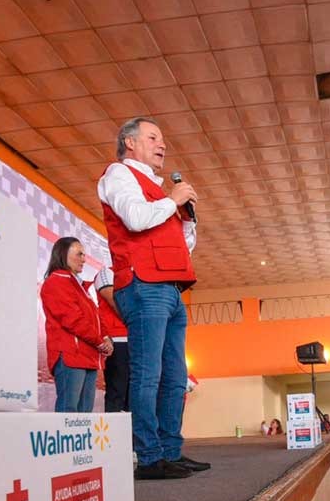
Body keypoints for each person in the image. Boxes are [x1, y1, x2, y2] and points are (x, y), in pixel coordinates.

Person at [99, 116, 207, 480]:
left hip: (171, 288)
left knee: (175, 377)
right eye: (152, 137)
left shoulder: (161, 194)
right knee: (148, 374)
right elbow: (134, 218)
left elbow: (182, 246)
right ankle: (147, 456)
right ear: (130, 143)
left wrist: (187, 220)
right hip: (143, 284)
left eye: (162, 139)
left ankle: (169, 450)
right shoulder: (118, 174)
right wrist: (172, 200)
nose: (162, 144)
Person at [40, 238, 111, 413]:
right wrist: (99, 341)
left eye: (84, 255)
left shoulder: (79, 286)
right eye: (79, 254)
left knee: (84, 415)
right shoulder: (56, 282)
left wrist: (106, 337)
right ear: (63, 254)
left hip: (88, 356)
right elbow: (72, 319)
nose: (84, 259)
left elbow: (96, 317)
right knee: (69, 412)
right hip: (71, 356)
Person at [93, 264, 131, 412]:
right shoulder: (107, 272)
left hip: (135, 340)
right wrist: (135, 321)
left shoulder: (139, 275)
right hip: (117, 340)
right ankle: (115, 426)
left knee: (133, 394)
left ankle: (132, 427)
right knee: (117, 391)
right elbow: (114, 301)